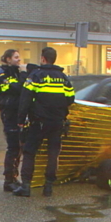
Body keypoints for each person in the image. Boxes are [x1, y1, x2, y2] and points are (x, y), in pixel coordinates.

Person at [12, 47, 75, 198]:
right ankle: (48, 187)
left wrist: (21, 120)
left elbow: (25, 98)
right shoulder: (63, 77)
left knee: (29, 152)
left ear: (43, 59)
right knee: (53, 154)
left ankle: (26, 186)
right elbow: (70, 98)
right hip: (57, 122)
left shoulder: (35, 76)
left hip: (38, 121)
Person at [0, 49, 33, 192]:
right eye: (16, 57)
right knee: (13, 147)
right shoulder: (2, 74)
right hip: (9, 113)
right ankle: (9, 180)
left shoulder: (13, 72)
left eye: (19, 57)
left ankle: (13, 178)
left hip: (16, 113)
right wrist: (24, 73)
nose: (19, 60)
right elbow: (18, 88)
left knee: (18, 147)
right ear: (8, 59)